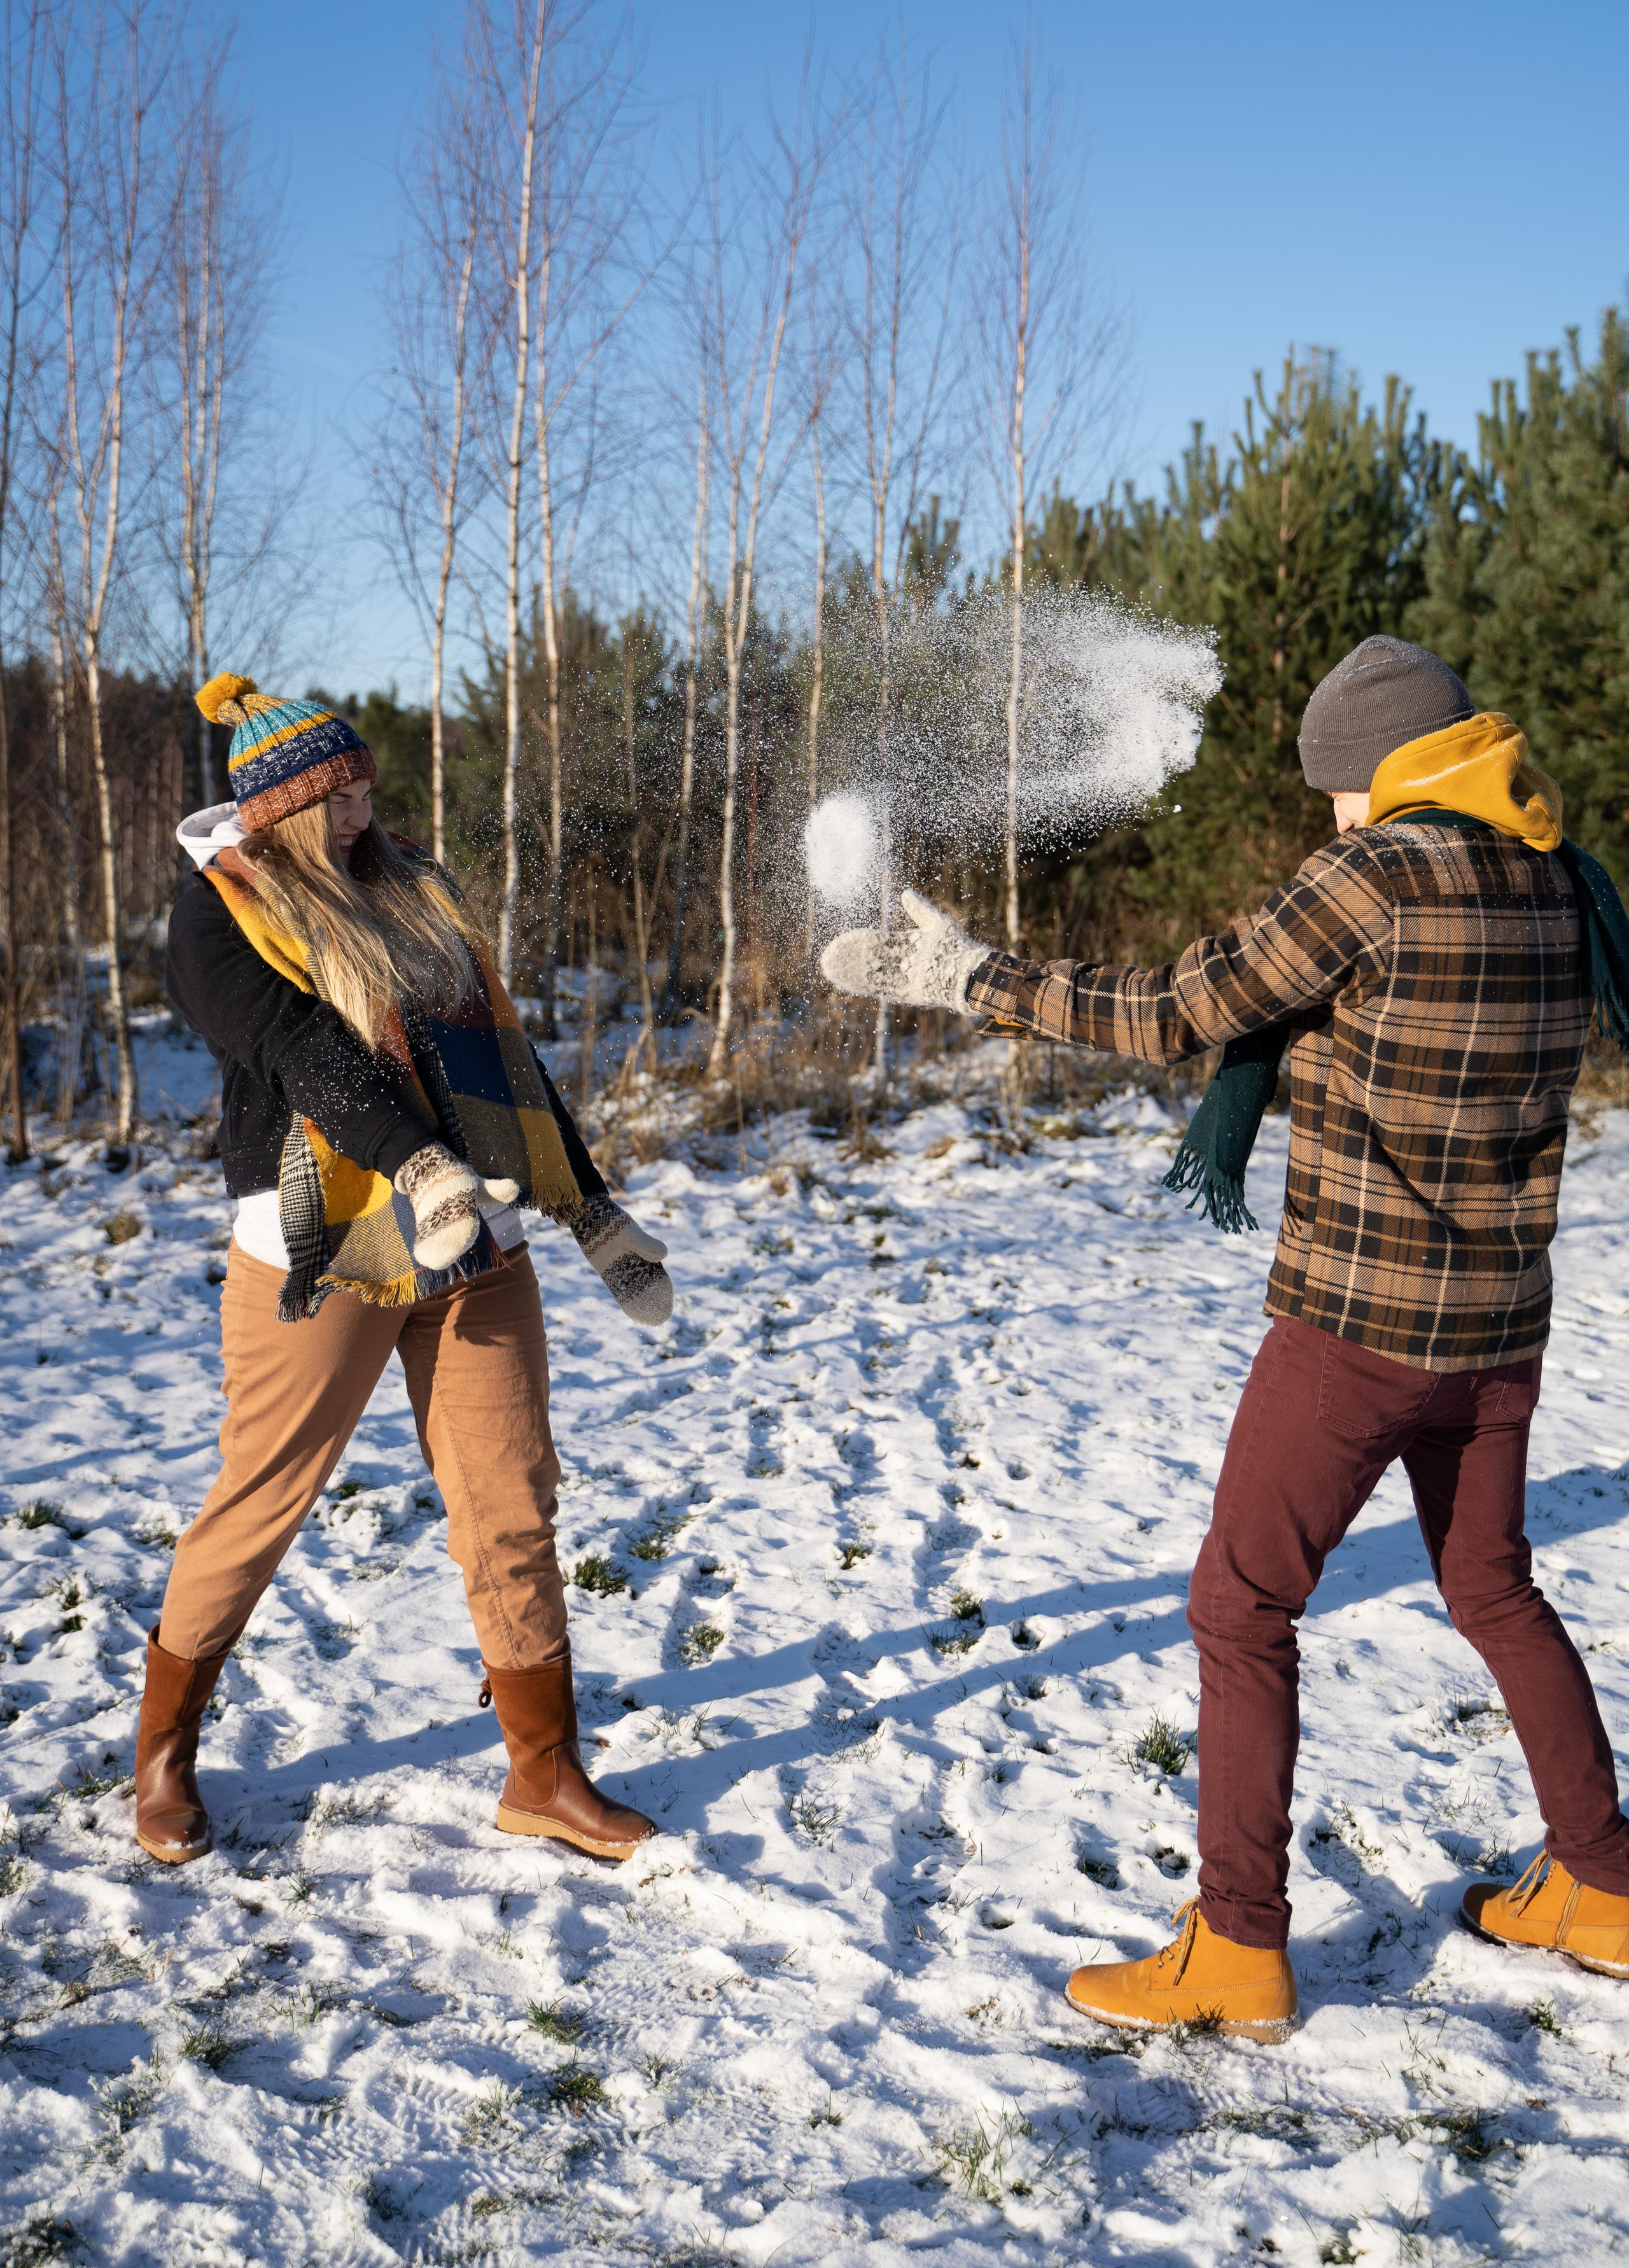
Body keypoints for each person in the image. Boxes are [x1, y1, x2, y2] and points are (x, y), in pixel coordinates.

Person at [821, 634, 1629, 2039]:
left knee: (1239, 1608)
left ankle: (1237, 1947)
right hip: (1498, 1323)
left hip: (1357, 1326)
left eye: (1336, 787)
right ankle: (1604, 1886)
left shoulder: (1376, 874)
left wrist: (974, 976)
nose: (1330, 813)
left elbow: (1180, 1008)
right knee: (1492, 1586)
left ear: (1380, 771)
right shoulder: (1558, 878)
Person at [139, 672, 671, 1869]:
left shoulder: (413, 886)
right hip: (324, 1250)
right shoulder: (221, 912)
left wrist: (589, 1207)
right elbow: (298, 1049)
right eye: (336, 794)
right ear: (277, 810)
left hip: (476, 1236)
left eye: (365, 783)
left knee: (511, 1495)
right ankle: (163, 1753)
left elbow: (503, 1055)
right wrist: (417, 1165)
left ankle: (545, 1771)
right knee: (262, 1496)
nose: (361, 809)